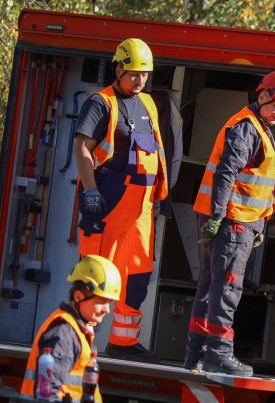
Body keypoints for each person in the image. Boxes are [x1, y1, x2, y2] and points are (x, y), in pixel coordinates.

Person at [184, 70, 275, 376]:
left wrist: (256, 225)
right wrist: (219, 216)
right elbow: (226, 174)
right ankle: (219, 354)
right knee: (227, 290)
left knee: (209, 289)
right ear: (261, 96)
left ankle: (196, 356)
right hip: (233, 222)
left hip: (235, 221)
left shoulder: (252, 125)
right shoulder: (249, 129)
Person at [74, 38, 168, 362]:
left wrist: (158, 196)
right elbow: (83, 148)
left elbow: (155, 151)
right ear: (118, 69)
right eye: (133, 74)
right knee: (96, 274)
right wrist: (90, 191)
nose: (140, 80)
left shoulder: (150, 105)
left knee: (137, 275)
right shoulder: (101, 102)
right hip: (110, 200)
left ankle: (124, 343)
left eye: (145, 74)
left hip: (142, 206)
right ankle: (78, 339)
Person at [20, 255, 122, 403]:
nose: (107, 310)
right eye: (101, 302)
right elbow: (47, 399)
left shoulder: (76, 330)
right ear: (78, 297)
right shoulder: (64, 333)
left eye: (110, 303)